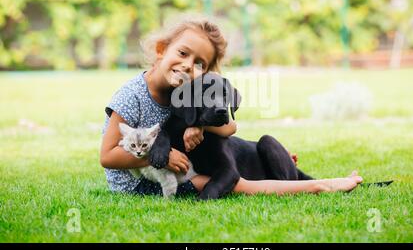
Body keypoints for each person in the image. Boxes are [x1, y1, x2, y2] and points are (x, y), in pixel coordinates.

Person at [99, 16, 363, 197]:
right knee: (237, 184)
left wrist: (198, 125)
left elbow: (229, 127)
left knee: (229, 176)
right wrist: (163, 153)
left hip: (173, 174)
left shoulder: (188, 91)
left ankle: (312, 184)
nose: (189, 65)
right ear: (161, 49)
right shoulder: (131, 95)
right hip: (138, 184)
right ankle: (319, 186)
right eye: (182, 53)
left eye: (199, 63)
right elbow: (107, 156)